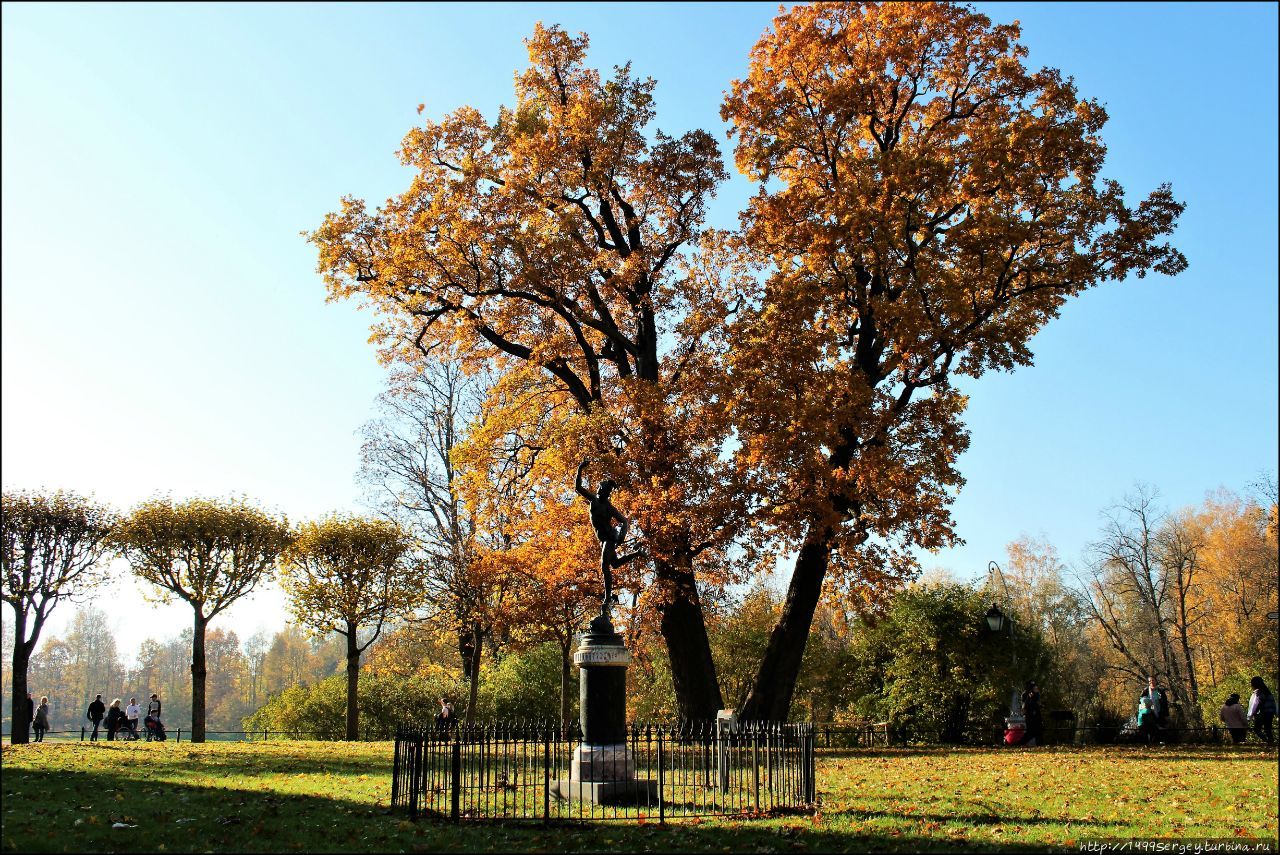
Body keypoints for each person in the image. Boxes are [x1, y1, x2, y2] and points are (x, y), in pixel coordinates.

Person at [575, 460, 641, 618]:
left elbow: (624, 520)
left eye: (603, 490)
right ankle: (636, 553)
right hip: (603, 539)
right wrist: (580, 469)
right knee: (615, 564)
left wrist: (622, 535)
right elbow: (578, 488)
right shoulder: (594, 500)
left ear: (606, 493)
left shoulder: (609, 507)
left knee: (604, 565)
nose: (599, 492)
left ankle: (607, 598)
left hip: (609, 538)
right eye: (599, 489)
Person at [1139, 676, 1170, 743]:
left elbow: (1165, 703)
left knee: (1161, 727)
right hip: (1149, 713)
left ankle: (1162, 743)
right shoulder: (1145, 690)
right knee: (1151, 728)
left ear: (1156, 681)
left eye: (1153, 680)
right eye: (1150, 681)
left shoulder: (1160, 691)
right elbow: (1140, 701)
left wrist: (1167, 714)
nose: (1151, 682)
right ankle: (1151, 743)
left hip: (1159, 711)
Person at [1247, 676, 1276, 744]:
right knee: (1268, 729)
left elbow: (1254, 704)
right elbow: (1274, 704)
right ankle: (1271, 742)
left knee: (1257, 729)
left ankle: (1266, 741)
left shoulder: (1257, 693)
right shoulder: (1268, 693)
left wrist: (1250, 715)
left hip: (1261, 713)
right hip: (1270, 713)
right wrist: (1275, 712)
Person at [1020, 682, 1043, 747]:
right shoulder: (1027, 695)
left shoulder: (1036, 695)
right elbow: (1026, 705)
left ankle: (1040, 745)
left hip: (1036, 715)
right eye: (1035, 688)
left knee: (1038, 731)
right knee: (1031, 732)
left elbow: (1037, 703)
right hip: (1031, 716)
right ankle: (1021, 743)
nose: (1037, 689)